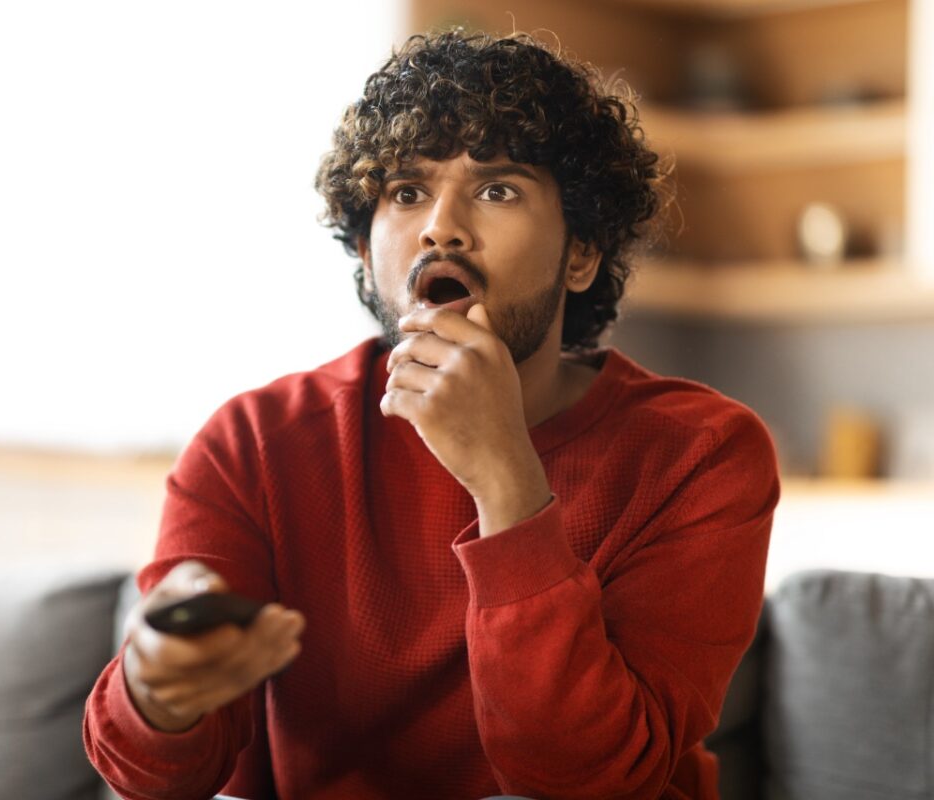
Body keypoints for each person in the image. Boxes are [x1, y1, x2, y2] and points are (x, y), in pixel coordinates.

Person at [83, 29, 778, 800]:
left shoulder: (702, 454)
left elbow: (593, 780)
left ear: (581, 253)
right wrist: (158, 697)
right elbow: (154, 774)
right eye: (407, 192)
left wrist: (507, 481)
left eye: (497, 189)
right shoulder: (254, 444)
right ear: (362, 248)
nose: (441, 226)